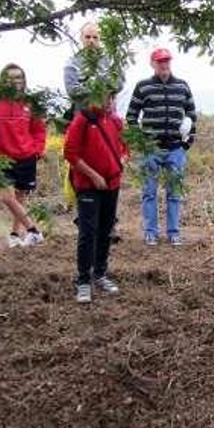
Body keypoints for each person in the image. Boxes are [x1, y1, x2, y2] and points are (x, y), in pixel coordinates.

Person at [126, 48, 197, 246]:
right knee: (149, 192)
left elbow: (192, 115)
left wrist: (186, 143)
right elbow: (131, 116)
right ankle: (151, 232)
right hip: (151, 149)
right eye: (160, 62)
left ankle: (174, 232)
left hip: (175, 148)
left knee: (174, 192)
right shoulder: (143, 87)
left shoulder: (182, 86)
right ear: (153, 64)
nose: (164, 65)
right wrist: (141, 141)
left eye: (166, 61)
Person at [64, 93, 128, 304]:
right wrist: (93, 175)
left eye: (112, 98)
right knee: (88, 232)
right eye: (105, 97)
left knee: (106, 229)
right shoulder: (83, 119)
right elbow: (70, 153)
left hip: (112, 183)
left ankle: (100, 273)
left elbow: (125, 148)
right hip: (88, 185)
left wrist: (123, 158)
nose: (109, 102)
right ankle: (83, 280)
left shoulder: (116, 121)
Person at [0, 63, 47, 248]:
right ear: (3, 81)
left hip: (26, 156)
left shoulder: (31, 102)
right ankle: (34, 231)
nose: (15, 81)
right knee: (6, 197)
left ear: (23, 80)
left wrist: (37, 150)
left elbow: (39, 130)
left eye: (18, 77)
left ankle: (15, 235)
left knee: (20, 198)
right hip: (2, 158)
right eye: (10, 78)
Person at [63, 22, 125, 114]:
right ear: (81, 38)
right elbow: (72, 90)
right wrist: (99, 86)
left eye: (95, 37)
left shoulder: (110, 60)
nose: (91, 40)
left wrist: (90, 86)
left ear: (100, 39)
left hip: (107, 116)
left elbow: (119, 84)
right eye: (87, 37)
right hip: (82, 117)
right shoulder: (72, 63)